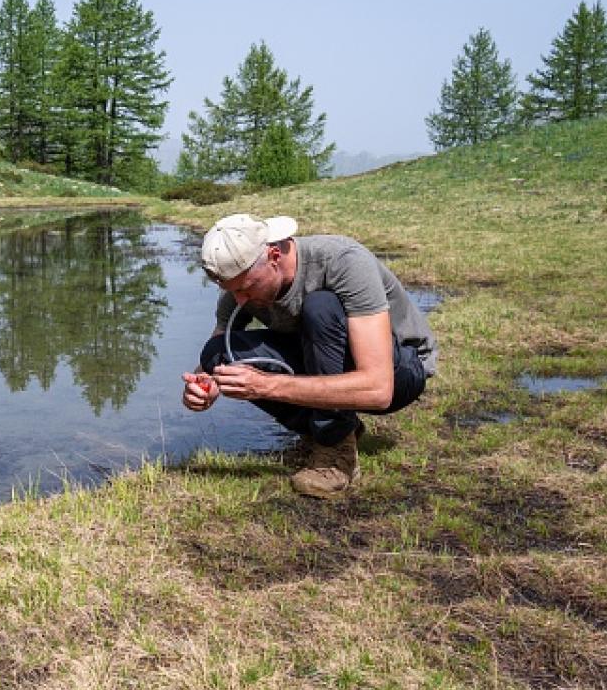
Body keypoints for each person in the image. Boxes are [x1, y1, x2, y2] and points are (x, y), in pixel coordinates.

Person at [182, 213, 438, 499]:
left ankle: (335, 451)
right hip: (326, 360)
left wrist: (265, 385)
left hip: (401, 369)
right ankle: (333, 430)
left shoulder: (343, 261)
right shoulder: (244, 285)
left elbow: (379, 389)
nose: (239, 300)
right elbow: (219, 347)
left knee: (321, 307)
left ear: (274, 255)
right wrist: (205, 384)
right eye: (231, 290)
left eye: (245, 288)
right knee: (216, 353)